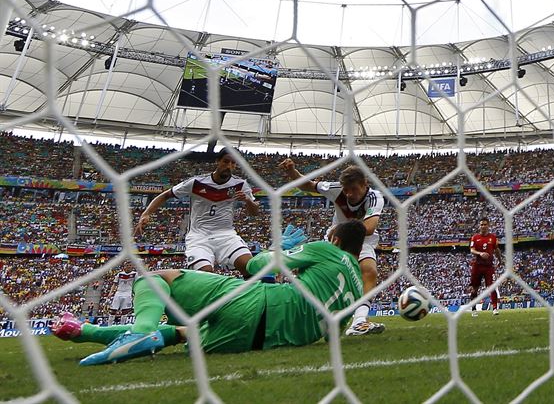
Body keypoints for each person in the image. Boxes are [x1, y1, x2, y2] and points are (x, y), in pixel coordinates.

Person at [51, 221, 366, 365]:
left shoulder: (326, 249)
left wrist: (277, 249)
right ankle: (84, 331)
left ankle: (140, 331)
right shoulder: (356, 289)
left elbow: (257, 266)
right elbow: (330, 335)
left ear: (335, 240)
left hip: (256, 302)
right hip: (249, 342)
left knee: (153, 279)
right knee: (183, 332)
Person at [279, 160, 385, 336]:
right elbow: (308, 185)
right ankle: (295, 311)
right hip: (337, 239)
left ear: (365, 184)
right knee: (311, 272)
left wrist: (342, 229)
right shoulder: (336, 189)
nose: (349, 194)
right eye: (346, 190)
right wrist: (292, 171)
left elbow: (369, 227)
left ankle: (359, 321)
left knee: (369, 271)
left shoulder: (375, 197)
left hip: (360, 240)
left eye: (354, 189)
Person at [135, 148, 260, 276]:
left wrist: (247, 200)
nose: (229, 166)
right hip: (199, 237)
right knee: (205, 275)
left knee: (250, 268)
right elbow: (165, 195)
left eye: (233, 163)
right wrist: (146, 214)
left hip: (226, 235)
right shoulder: (196, 182)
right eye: (226, 161)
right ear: (217, 161)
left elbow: (254, 212)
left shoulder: (241, 184)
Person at [469, 217, 502, 316]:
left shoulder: (493, 238)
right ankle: (474, 309)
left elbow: (496, 250)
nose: (483, 226)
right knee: (475, 288)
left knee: (492, 287)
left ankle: (495, 308)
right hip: (477, 266)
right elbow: (472, 250)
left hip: (489, 266)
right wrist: (480, 254)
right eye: (481, 224)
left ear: (488, 225)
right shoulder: (475, 237)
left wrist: (500, 260)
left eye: (485, 224)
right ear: (479, 226)